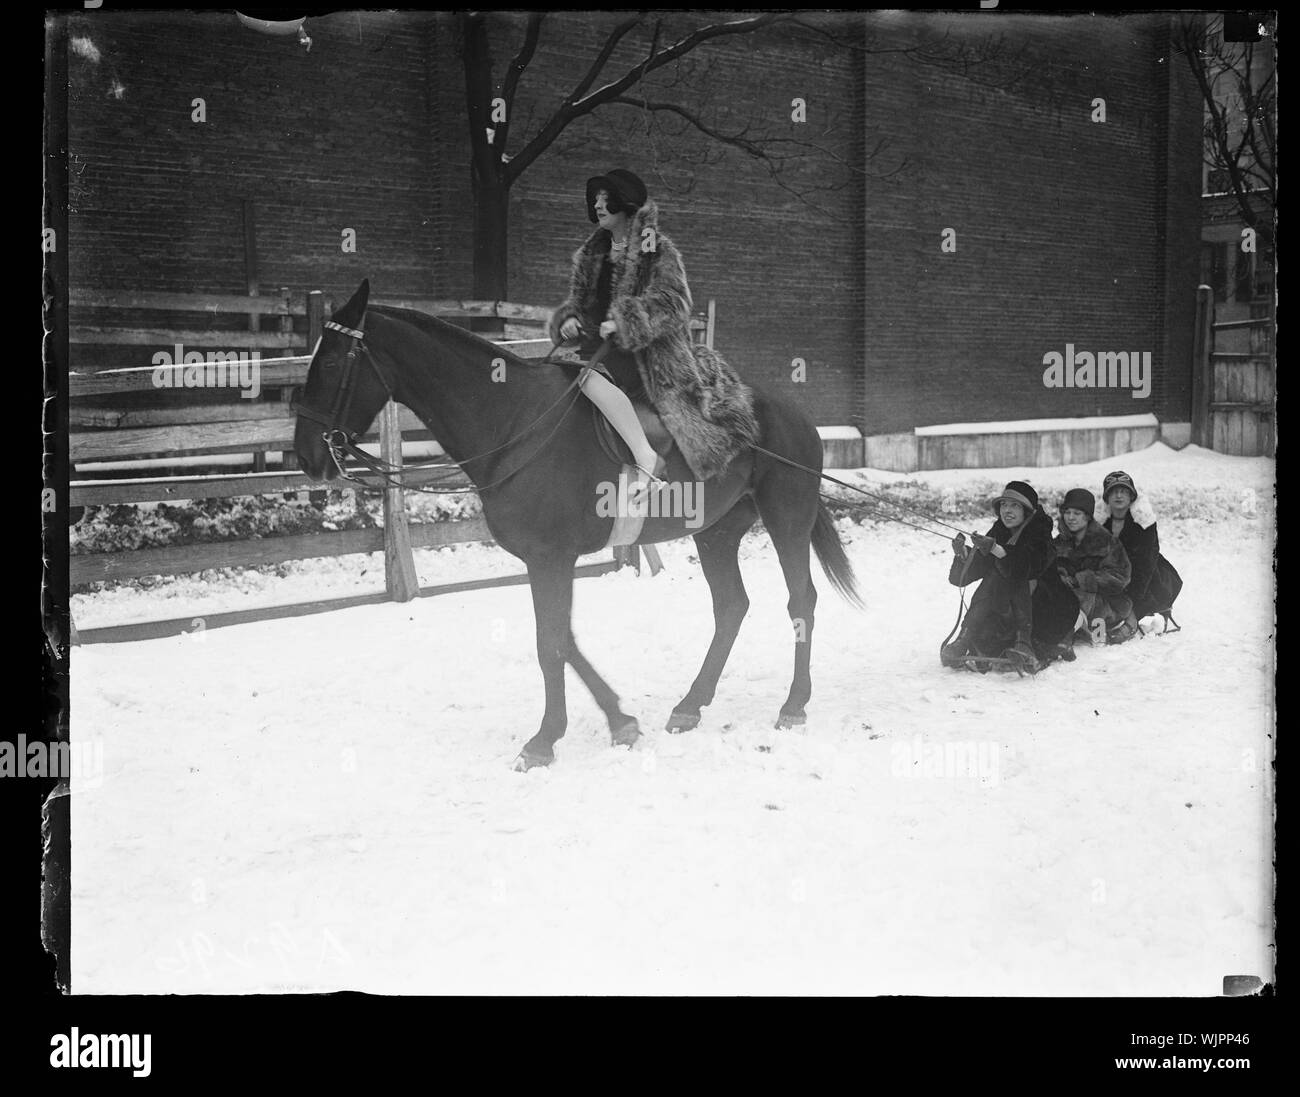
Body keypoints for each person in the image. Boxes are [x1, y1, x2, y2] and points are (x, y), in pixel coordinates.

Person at [548, 167, 759, 504]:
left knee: (585, 376)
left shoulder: (656, 250)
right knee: (554, 374)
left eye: (606, 199)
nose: (598, 206)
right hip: (597, 346)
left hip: (649, 358)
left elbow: (675, 304)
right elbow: (580, 303)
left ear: (624, 203)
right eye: (595, 200)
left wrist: (625, 321)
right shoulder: (592, 254)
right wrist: (569, 320)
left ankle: (645, 456)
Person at [941, 481, 1079, 672]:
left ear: (1027, 511)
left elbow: (1029, 566)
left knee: (1006, 574)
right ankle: (965, 637)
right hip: (1011, 610)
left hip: (1045, 607)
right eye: (1004, 505)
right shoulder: (1000, 530)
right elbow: (972, 572)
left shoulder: (1040, 533)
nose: (1007, 510)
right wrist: (963, 554)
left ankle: (1024, 642)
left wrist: (996, 550)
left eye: (1014, 505)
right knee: (995, 575)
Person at [1099, 471, 1183, 632]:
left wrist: (1132, 602)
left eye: (1123, 491)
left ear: (1131, 496)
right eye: (1113, 491)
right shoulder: (1101, 523)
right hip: (1114, 574)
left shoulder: (1144, 522)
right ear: (1106, 497)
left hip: (1144, 575)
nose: (1118, 495)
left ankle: (1137, 614)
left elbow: (1146, 562)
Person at [1054, 487, 1139, 644]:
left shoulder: (1106, 542)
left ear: (1087, 517)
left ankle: (1063, 637)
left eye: (1077, 513)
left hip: (1108, 604)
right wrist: (1061, 576)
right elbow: (1050, 567)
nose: (1070, 518)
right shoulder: (1059, 542)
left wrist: (1081, 580)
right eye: (1067, 512)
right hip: (1074, 601)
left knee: (1076, 598)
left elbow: (1120, 577)